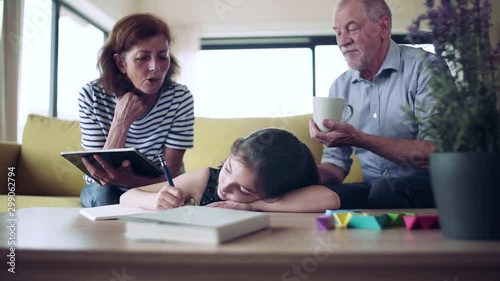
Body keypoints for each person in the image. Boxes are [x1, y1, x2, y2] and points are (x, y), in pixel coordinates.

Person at [309, 0, 447, 209]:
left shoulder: (425, 68)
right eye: (338, 32)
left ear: (383, 26)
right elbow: (335, 166)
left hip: (428, 186)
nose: (342, 41)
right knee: (320, 196)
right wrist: (300, 177)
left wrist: (361, 139)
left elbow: (432, 154)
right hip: (372, 189)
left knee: (385, 190)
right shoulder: (340, 86)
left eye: (352, 29)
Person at [79, 13, 194, 207]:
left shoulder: (179, 98)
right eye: (142, 58)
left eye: (162, 56)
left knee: (168, 198)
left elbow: (170, 175)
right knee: (105, 195)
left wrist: (129, 181)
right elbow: (100, 175)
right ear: (121, 63)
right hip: (104, 188)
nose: (155, 67)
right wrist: (121, 122)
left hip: (155, 186)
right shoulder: (92, 95)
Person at [121, 128, 341, 212]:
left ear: (275, 192)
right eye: (228, 169)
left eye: (244, 190)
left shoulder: (281, 195)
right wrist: (155, 201)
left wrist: (249, 206)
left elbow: (329, 199)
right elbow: (127, 197)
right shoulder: (206, 179)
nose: (224, 187)